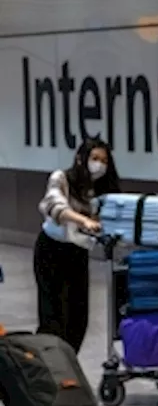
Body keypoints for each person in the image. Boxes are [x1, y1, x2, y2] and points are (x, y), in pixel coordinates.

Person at [35, 138, 118, 353]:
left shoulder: (100, 190)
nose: (99, 164)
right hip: (51, 249)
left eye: (104, 160)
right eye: (94, 158)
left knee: (78, 319)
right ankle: (48, 367)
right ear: (80, 158)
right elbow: (54, 207)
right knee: (52, 317)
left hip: (77, 252)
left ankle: (67, 366)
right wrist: (83, 220)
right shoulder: (61, 178)